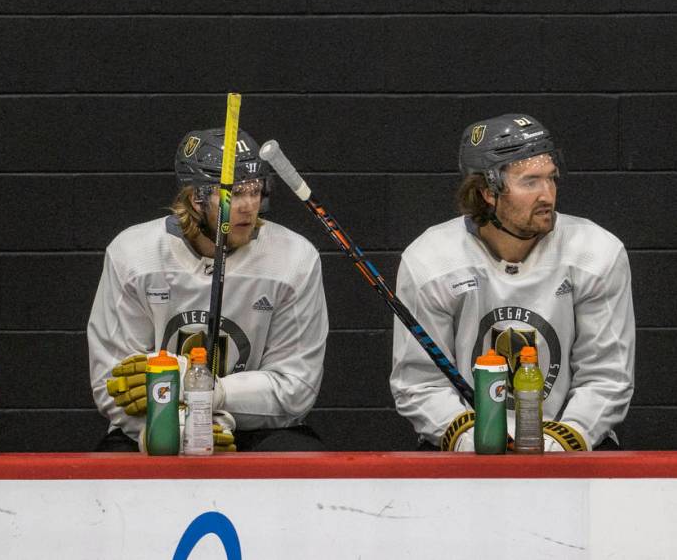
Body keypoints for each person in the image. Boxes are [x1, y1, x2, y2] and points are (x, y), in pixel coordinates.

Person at [389, 114, 635, 452]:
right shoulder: (430, 260)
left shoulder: (597, 253)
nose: (548, 195)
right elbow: (420, 384)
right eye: (531, 182)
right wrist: (471, 441)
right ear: (486, 192)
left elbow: (607, 376)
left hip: (569, 446)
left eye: (551, 179)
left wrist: (557, 443)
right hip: (469, 447)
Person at [88, 128, 329, 452]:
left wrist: (216, 397)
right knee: (112, 462)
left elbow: (296, 389)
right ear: (194, 198)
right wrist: (180, 426)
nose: (248, 205)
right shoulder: (132, 255)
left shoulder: (295, 259)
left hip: (254, 427)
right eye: (234, 194)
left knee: (303, 455)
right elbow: (113, 385)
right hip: (155, 423)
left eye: (255, 190)